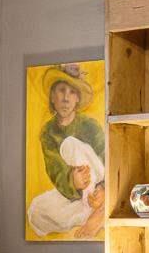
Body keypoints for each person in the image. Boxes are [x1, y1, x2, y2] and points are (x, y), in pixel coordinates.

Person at [28, 68, 109, 238]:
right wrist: (73, 181)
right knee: (35, 210)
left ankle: (100, 210)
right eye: (61, 90)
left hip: (97, 188)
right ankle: (90, 213)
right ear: (52, 96)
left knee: (70, 144)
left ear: (77, 98)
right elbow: (55, 170)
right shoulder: (48, 132)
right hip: (73, 194)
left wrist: (102, 188)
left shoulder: (90, 126)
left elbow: (108, 160)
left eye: (72, 92)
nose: (66, 98)